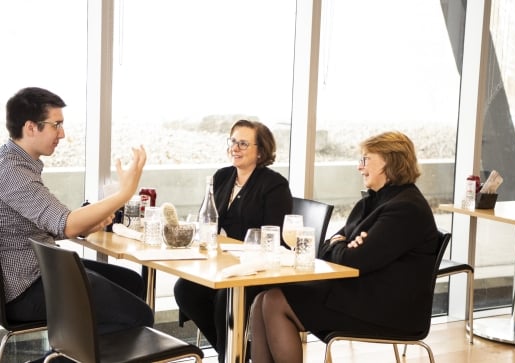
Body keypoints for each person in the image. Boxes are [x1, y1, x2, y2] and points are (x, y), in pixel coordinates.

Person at [0, 87, 154, 352]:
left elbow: (42, 224)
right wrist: (125, 192)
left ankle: (70, 353)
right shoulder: (11, 171)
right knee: (139, 316)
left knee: (131, 283)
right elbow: (66, 223)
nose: (62, 134)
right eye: (56, 125)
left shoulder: (11, 161)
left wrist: (86, 224)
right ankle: (65, 357)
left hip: (32, 274)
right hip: (24, 288)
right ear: (31, 127)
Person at [249, 131, 440, 363]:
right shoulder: (370, 201)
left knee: (274, 302)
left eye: (365, 159)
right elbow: (327, 248)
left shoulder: (406, 208)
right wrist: (344, 246)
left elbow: (353, 261)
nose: (360, 167)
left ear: (389, 161)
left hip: (389, 310)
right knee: (260, 300)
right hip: (360, 295)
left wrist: (343, 247)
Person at [174, 119, 293, 362]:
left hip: (257, 269)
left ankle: (229, 355)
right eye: (232, 141)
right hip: (222, 264)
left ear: (260, 152)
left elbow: (272, 234)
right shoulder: (222, 176)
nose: (235, 148)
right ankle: (231, 351)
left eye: (243, 143)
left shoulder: (274, 185)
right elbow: (206, 221)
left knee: (224, 298)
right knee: (185, 289)